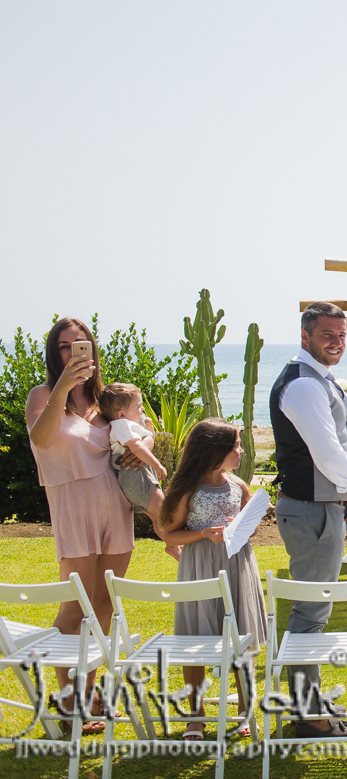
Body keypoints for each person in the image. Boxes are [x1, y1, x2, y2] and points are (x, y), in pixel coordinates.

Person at [268, 301, 347, 738]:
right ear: (306, 336)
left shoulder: (315, 379)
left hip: (318, 507)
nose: (336, 341)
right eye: (327, 334)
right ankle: (308, 715)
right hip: (311, 511)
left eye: (341, 334)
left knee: (313, 611)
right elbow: (327, 451)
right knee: (310, 614)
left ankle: (305, 701)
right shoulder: (305, 385)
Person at [25, 317, 134, 731]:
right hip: (72, 506)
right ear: (56, 354)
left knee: (104, 604)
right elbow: (41, 438)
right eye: (66, 346)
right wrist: (60, 389)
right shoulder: (42, 395)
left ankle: (90, 695)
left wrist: (139, 450)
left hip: (114, 506)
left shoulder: (107, 399)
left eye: (81, 343)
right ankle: (68, 703)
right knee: (75, 608)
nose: (74, 351)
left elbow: (141, 431)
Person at [158, 419, 267, 740]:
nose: (241, 451)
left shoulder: (239, 485)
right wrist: (204, 533)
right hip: (200, 568)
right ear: (213, 450)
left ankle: (245, 711)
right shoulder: (187, 490)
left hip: (237, 565)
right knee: (196, 640)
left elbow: (253, 525)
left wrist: (242, 525)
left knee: (241, 639)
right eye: (235, 446)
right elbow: (169, 532)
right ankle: (196, 715)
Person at [97, 382, 181, 560]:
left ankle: (173, 546)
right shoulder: (122, 425)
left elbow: (145, 440)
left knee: (157, 517)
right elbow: (137, 448)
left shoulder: (125, 425)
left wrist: (149, 430)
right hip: (137, 475)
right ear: (121, 414)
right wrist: (158, 465)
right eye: (138, 407)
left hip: (134, 478)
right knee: (165, 512)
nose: (142, 410)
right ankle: (177, 546)